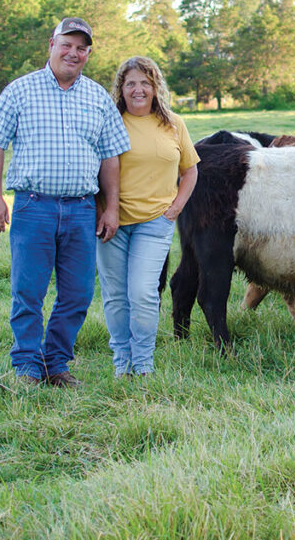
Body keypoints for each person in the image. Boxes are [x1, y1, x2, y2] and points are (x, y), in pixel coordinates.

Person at [0, 17, 131, 388]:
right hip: (34, 206)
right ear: (51, 44)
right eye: (67, 44)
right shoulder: (20, 91)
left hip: (81, 209)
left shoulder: (97, 98)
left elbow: (111, 157)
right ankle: (28, 367)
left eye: (82, 48)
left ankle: (55, 363)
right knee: (28, 291)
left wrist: (110, 207)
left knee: (78, 293)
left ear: (88, 54)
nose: (73, 53)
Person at [96, 56, 199, 378]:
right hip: (112, 223)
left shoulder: (173, 124)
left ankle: (142, 363)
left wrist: (176, 208)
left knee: (142, 293)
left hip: (155, 222)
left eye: (145, 83)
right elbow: (94, 170)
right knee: (115, 295)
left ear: (155, 88)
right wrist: (101, 211)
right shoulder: (109, 121)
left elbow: (190, 169)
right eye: (131, 84)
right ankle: (120, 363)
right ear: (121, 89)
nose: (138, 89)